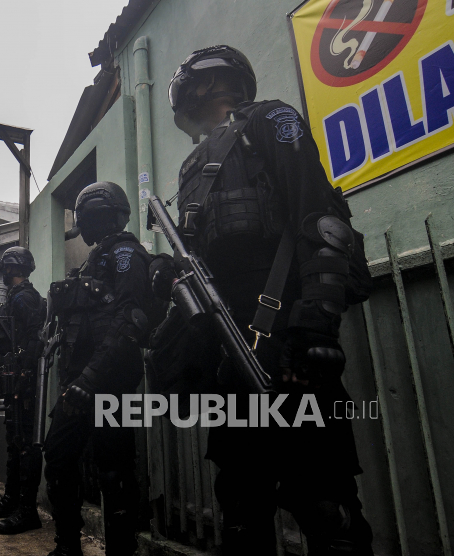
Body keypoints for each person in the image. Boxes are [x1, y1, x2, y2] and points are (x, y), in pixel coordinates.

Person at [155, 45, 373, 555]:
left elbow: (321, 221)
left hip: (289, 348)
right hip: (232, 361)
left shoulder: (270, 120)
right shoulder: (193, 166)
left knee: (325, 506)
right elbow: (203, 274)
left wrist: (316, 324)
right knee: (241, 510)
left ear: (205, 83)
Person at [43, 183, 149, 556]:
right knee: (58, 456)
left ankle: (122, 550)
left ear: (93, 215)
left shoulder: (125, 253)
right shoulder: (94, 260)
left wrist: (91, 378)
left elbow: (130, 321)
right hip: (82, 380)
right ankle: (68, 545)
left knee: (114, 468)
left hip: (110, 381)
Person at [0, 252, 44, 534]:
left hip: (23, 380)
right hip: (16, 376)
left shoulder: (23, 297)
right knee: (16, 443)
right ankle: (12, 501)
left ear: (9, 268)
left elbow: (34, 338)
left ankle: (27, 511)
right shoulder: (18, 296)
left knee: (25, 445)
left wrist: (24, 374)